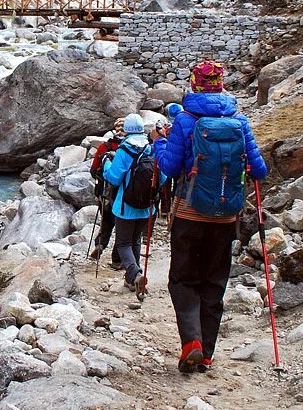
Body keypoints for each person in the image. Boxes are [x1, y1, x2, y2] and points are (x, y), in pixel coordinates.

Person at [150, 61, 267, 374]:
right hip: (226, 218)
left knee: (183, 278)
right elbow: (259, 170)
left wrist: (160, 142)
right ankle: (206, 355)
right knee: (214, 281)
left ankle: (191, 342)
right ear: (221, 84)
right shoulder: (239, 121)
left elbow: (170, 168)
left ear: (194, 84)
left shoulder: (186, 121)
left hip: (189, 214)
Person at [103, 114, 159, 299]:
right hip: (147, 206)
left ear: (126, 129)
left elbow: (113, 177)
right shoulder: (151, 148)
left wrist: (106, 164)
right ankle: (130, 280)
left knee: (123, 243)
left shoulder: (125, 149)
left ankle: (135, 273)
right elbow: (163, 177)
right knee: (135, 240)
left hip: (126, 205)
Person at [88, 118, 125, 269]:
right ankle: (117, 260)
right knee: (121, 228)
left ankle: (100, 245)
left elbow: (93, 170)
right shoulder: (129, 148)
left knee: (106, 222)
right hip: (123, 195)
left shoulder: (104, 147)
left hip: (105, 194)